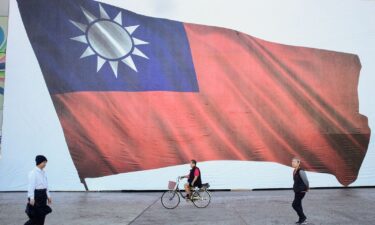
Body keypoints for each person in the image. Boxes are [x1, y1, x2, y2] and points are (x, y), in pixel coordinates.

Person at [25, 155, 52, 225]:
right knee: (36, 217)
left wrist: (48, 196)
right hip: (36, 196)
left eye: (46, 162)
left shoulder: (43, 172)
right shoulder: (33, 173)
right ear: (39, 162)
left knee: (42, 215)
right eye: (44, 162)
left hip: (43, 196)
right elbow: (31, 186)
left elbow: (46, 185)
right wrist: (31, 198)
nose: (45, 164)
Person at [292, 157, 309, 224]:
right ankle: (302, 219)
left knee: (294, 205)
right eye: (292, 161)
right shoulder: (294, 171)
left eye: (294, 162)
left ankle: (303, 217)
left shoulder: (301, 171)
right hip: (297, 190)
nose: (292, 163)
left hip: (301, 191)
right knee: (298, 204)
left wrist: (307, 188)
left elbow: (306, 181)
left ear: (298, 163)